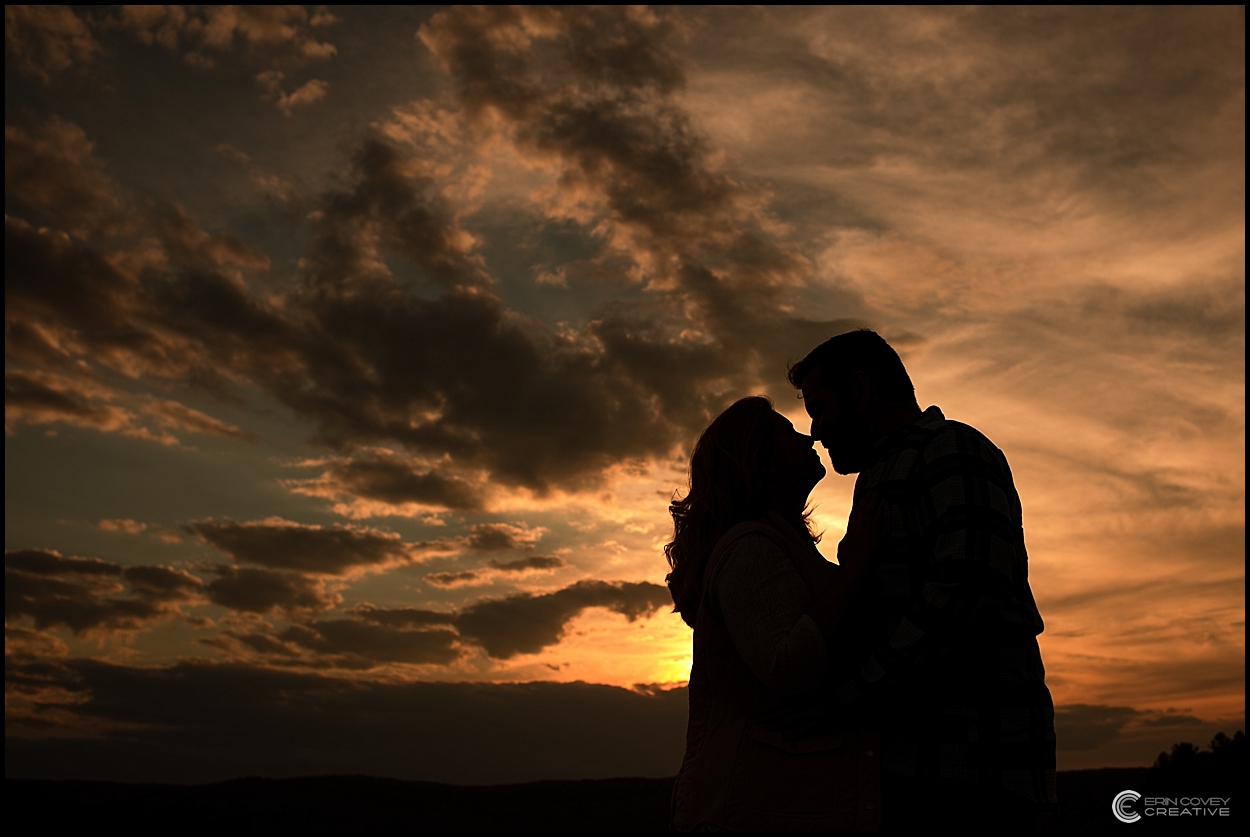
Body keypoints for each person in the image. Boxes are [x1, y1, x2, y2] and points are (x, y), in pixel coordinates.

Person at [788, 329, 1058, 829]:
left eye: (820, 408)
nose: (817, 432)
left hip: (978, 774)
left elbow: (965, 594)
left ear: (862, 390)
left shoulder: (951, 450)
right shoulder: (879, 476)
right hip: (914, 769)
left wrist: (849, 697)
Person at [666, 395, 881, 832]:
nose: (808, 435)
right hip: (756, 803)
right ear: (761, 461)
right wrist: (855, 570)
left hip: (780, 797)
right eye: (787, 432)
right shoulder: (750, 548)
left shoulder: (779, 545)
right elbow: (788, 664)